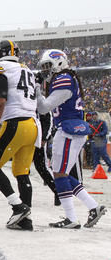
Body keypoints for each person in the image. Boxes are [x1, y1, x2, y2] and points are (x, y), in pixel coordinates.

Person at [36, 49, 106, 228]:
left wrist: (36, 90)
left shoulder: (63, 79)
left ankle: (72, 218)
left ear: (59, 63)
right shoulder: (64, 78)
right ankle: (93, 207)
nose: (45, 70)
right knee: (62, 174)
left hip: (68, 131)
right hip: (70, 130)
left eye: (47, 66)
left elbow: (44, 108)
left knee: (59, 174)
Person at [0, 40, 39, 231]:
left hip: (15, 123)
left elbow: (0, 100)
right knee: (22, 173)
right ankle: (26, 219)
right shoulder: (27, 70)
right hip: (32, 125)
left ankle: (18, 206)